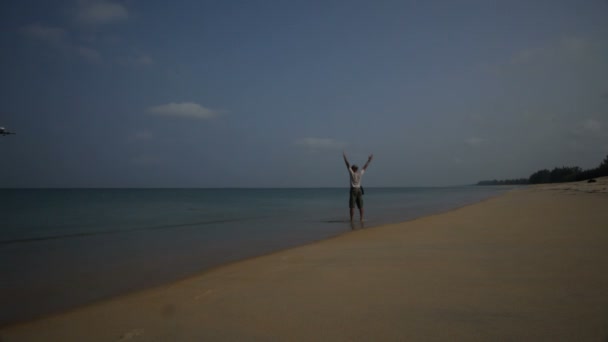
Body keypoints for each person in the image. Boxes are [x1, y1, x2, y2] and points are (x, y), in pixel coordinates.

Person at [343, 152, 373, 222]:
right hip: (359, 190)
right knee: (361, 206)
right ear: (357, 169)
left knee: (352, 206)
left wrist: (345, 158)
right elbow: (365, 167)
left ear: (353, 169)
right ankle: (361, 218)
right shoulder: (360, 173)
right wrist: (369, 160)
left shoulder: (352, 173)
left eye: (352, 168)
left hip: (353, 190)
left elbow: (347, 165)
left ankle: (351, 219)